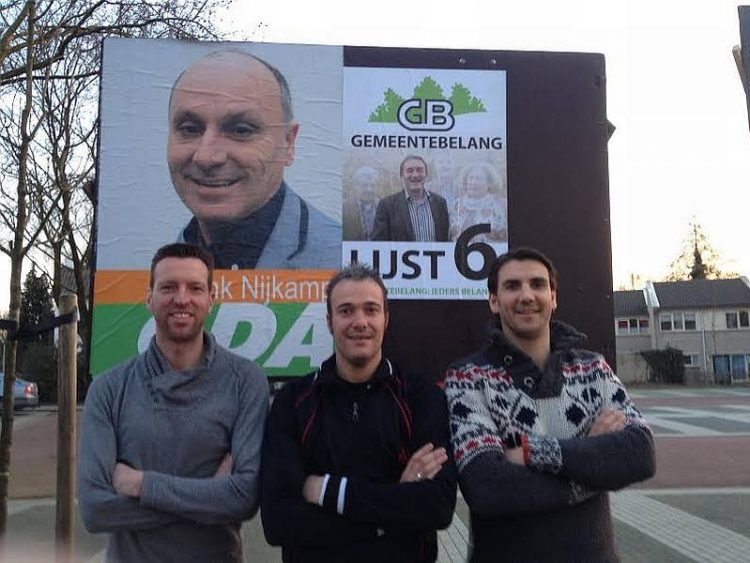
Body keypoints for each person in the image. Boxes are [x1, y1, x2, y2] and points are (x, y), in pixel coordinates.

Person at [444, 247, 655, 562]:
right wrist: (592, 463)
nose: (527, 295)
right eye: (512, 286)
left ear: (553, 297)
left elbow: (640, 455)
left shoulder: (593, 369)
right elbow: (488, 488)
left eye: (538, 284)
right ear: (494, 301)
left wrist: (530, 452)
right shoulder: (468, 378)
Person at [77, 243, 269, 562]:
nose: (182, 298)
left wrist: (141, 484)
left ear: (211, 298)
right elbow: (95, 511)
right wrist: (209, 498)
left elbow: (244, 498)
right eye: (168, 287)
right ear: (149, 297)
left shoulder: (245, 381)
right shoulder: (108, 388)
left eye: (194, 288)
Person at [260, 262, 457, 562]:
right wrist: (390, 514)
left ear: (386, 319)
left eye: (371, 309)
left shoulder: (421, 396)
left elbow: (437, 506)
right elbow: (278, 522)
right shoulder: (293, 401)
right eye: (346, 311)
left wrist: (325, 490)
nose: (360, 321)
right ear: (329, 321)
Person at [169, 50, 341, 269]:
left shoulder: (340, 259)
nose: (206, 157)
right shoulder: (157, 267)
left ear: (287, 143)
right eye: (190, 129)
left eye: (241, 130)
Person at [372, 155, 449, 242]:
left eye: (419, 170)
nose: (415, 175)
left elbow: (444, 239)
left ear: (426, 174)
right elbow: (379, 244)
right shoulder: (387, 205)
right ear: (401, 176)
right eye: (410, 171)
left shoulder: (440, 203)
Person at [449, 162, 507, 243]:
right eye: (471, 178)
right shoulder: (456, 205)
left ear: (489, 183)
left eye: (479, 179)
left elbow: (503, 234)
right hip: (460, 253)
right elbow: (452, 234)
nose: (473, 182)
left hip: (492, 252)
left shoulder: (500, 204)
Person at [343, 166, 381, 240]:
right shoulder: (345, 209)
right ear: (355, 186)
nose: (369, 189)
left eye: (372, 185)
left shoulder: (385, 208)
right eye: (365, 185)